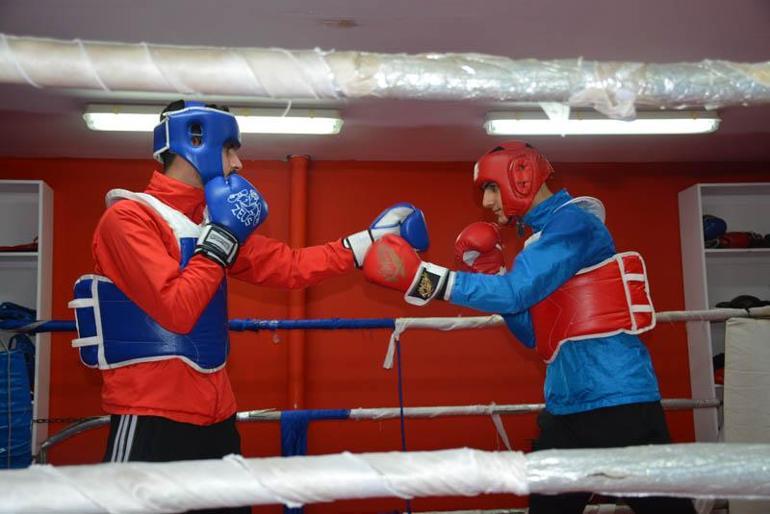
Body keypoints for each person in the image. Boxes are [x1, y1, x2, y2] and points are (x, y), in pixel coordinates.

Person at [69, 100, 428, 514]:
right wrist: (221, 237)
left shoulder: (207, 220)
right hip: (150, 415)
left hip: (217, 417)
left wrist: (364, 242)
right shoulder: (129, 220)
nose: (238, 164)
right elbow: (178, 309)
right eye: (230, 149)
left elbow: (289, 265)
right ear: (196, 142)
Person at [363, 141, 695, 514]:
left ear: (521, 177)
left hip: (617, 400)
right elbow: (533, 335)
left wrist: (427, 280)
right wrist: (492, 272)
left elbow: (515, 292)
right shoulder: (539, 242)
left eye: (490, 187)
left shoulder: (574, 224)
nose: (487, 201)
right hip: (565, 407)